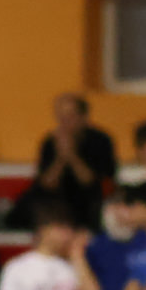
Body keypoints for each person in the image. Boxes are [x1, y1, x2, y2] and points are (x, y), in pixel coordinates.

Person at [32, 92, 119, 231]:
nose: (64, 122)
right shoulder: (50, 142)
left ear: (83, 117)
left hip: (91, 200)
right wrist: (60, 159)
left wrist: (72, 156)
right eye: (61, 117)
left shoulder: (100, 141)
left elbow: (91, 182)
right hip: (57, 201)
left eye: (70, 116)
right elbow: (47, 183)